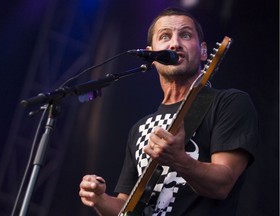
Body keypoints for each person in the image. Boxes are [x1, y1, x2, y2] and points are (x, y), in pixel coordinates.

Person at [79, 7, 258, 216]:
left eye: (185, 35)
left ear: (202, 51)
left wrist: (180, 160)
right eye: (165, 36)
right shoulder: (140, 129)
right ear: (151, 55)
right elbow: (127, 208)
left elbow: (223, 184)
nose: (175, 43)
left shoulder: (229, 103)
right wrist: (100, 199)